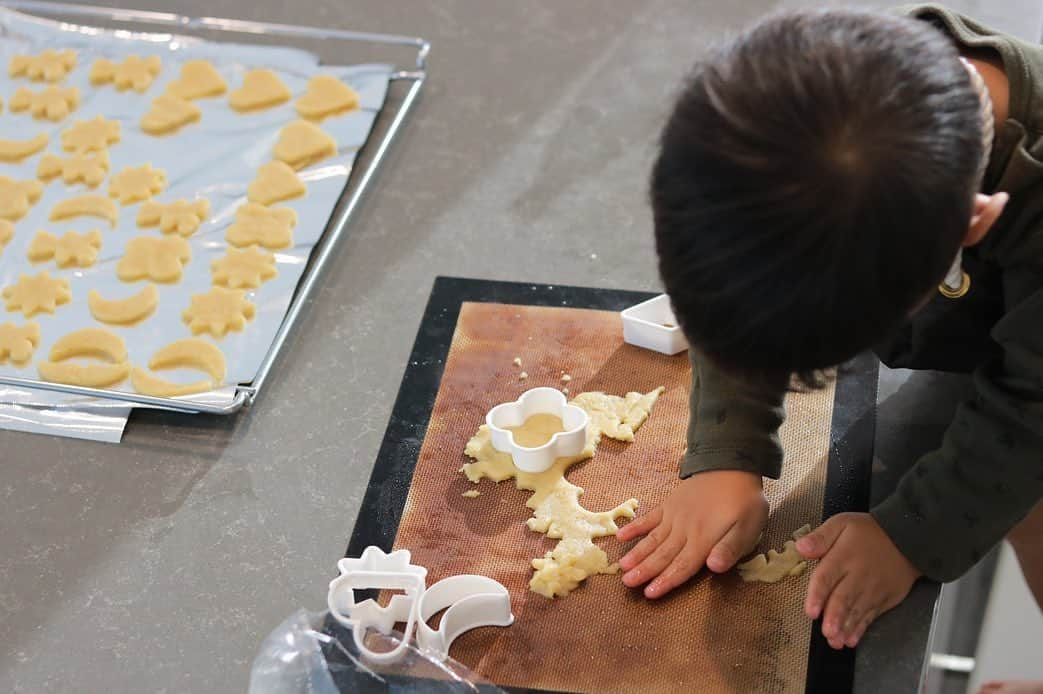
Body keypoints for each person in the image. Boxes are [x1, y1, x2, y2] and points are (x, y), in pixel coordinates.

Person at [617, 2, 1043, 658]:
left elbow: (1030, 411)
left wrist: (913, 534)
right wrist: (728, 452)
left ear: (974, 227)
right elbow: (737, 280)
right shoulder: (775, 109)